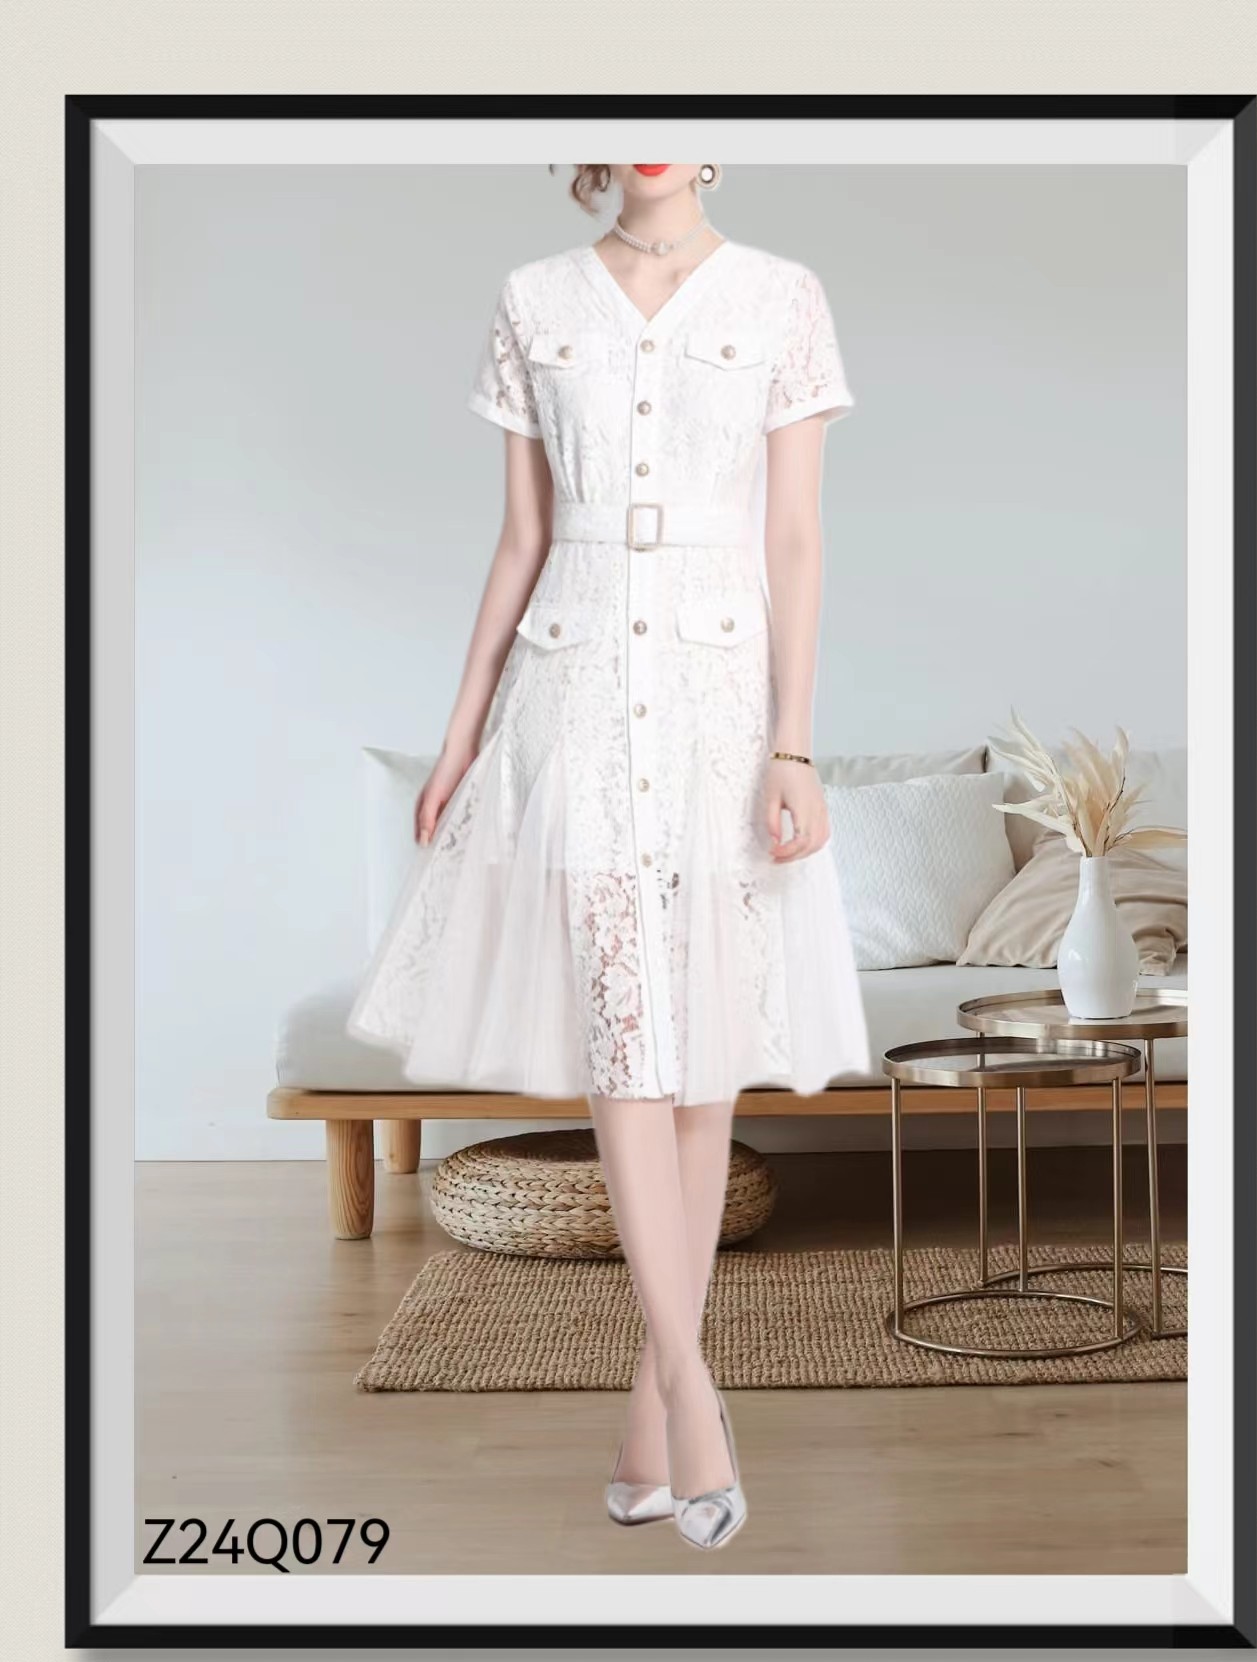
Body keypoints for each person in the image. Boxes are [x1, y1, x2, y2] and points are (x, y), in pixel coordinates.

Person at [348, 163, 869, 1551]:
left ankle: (650, 1413)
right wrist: (459, 736)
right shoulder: (535, 298)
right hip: (569, 697)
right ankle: (696, 1399)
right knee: (627, 1039)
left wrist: (794, 743)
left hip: (717, 702)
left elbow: (795, 536)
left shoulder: (780, 297)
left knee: (699, 1064)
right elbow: (521, 538)